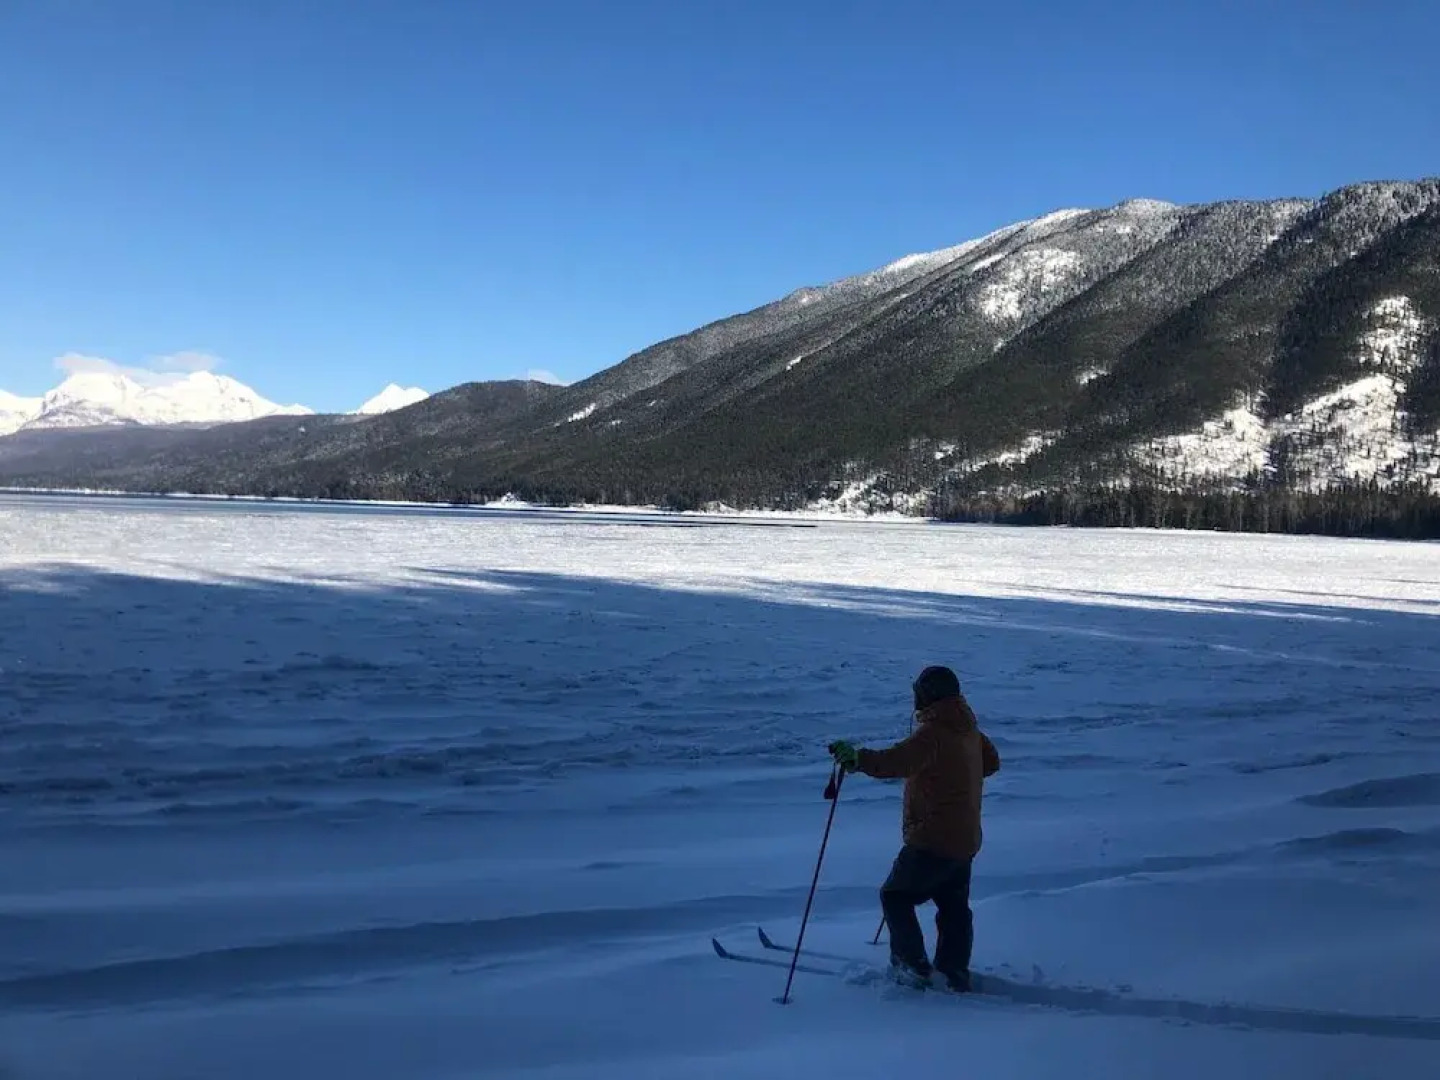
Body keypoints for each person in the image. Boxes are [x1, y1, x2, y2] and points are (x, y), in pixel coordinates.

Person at [828, 665, 1000, 992]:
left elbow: (897, 762)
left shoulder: (933, 733)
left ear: (927, 695)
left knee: (895, 895)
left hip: (933, 838)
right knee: (953, 908)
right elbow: (991, 763)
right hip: (964, 839)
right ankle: (954, 971)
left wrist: (858, 759)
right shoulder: (968, 728)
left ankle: (912, 966)